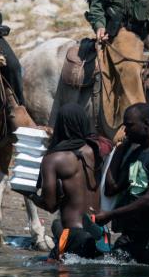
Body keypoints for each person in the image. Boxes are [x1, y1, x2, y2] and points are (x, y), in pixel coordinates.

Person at [96, 103, 149, 266]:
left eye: (129, 126)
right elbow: (111, 188)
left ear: (147, 124)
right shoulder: (136, 154)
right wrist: (120, 149)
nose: (125, 131)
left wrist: (111, 215)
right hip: (133, 234)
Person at [21, 104, 107, 261]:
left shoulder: (53, 160)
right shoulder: (96, 151)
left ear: (60, 125)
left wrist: (29, 194)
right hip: (100, 234)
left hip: (73, 235)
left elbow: (50, 205)